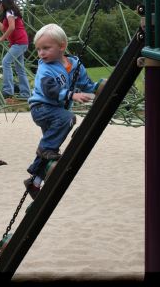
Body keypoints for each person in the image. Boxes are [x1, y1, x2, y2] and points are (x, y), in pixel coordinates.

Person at [25, 24, 106, 199]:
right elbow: (50, 91)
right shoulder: (45, 69)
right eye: (38, 49)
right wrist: (72, 95)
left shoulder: (75, 65)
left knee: (50, 147)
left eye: (46, 48)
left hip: (54, 110)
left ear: (62, 46)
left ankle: (34, 182)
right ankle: (46, 151)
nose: (41, 53)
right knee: (67, 120)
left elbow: (84, 83)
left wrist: (95, 89)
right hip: (41, 108)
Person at [0, 0, 31, 100]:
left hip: (19, 42)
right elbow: (4, 28)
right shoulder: (9, 13)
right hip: (21, 42)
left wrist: (1, 39)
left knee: (6, 62)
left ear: (3, 3)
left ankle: (8, 90)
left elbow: (11, 27)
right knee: (19, 69)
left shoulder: (10, 12)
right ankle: (25, 94)